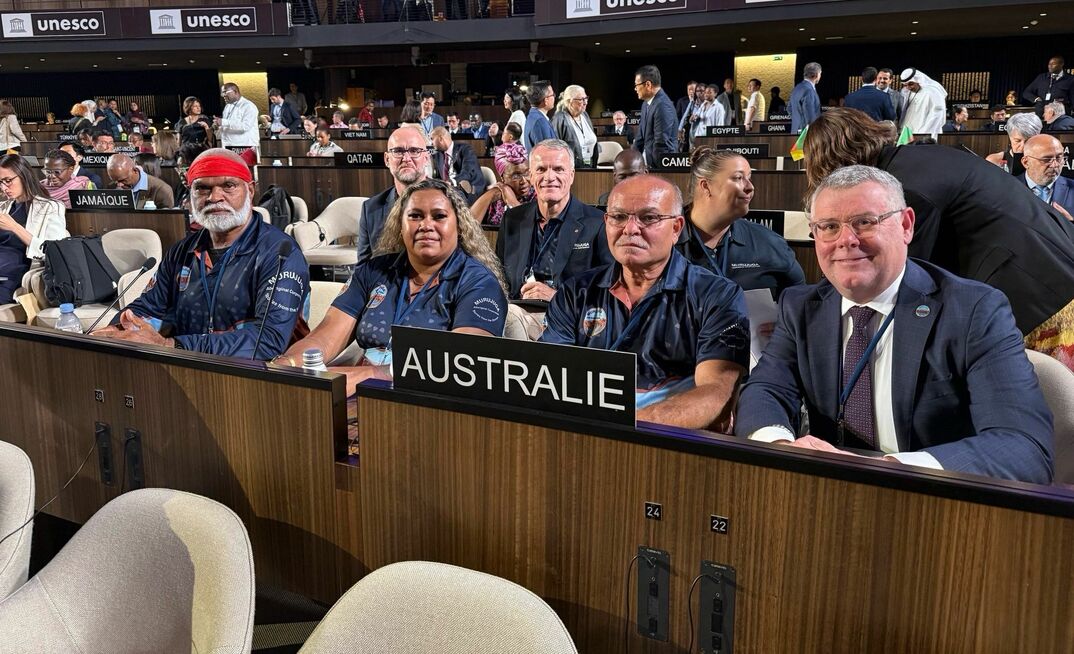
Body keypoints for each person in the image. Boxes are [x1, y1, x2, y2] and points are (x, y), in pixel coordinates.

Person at [735, 165, 1053, 484]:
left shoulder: (973, 311)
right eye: (829, 226)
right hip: (827, 495)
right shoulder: (801, 306)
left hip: (932, 504)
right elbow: (766, 390)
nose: (846, 240)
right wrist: (780, 449)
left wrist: (890, 469)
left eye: (864, 222)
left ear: (905, 225)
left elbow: (1023, 447)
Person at [803, 108, 1074, 369]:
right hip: (1053, 270)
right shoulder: (918, 159)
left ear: (832, 164)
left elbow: (901, 280)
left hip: (1045, 301)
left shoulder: (904, 188)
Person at [541, 174, 748, 430]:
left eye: (648, 218)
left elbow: (716, 393)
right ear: (605, 223)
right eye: (618, 217)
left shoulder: (717, 296)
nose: (630, 229)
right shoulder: (575, 292)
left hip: (669, 444)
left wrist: (625, 427)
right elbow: (550, 377)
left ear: (676, 228)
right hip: (582, 435)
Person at [277, 179, 507, 387]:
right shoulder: (372, 271)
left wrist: (372, 375)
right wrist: (289, 363)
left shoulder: (478, 283)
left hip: (428, 400)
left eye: (439, 216)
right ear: (400, 224)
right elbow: (325, 336)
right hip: (359, 388)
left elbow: (462, 363)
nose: (426, 225)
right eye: (415, 216)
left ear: (459, 224)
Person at [93, 149, 309, 359]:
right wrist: (121, 330)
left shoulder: (280, 254)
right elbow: (149, 308)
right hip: (188, 370)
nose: (214, 197)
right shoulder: (181, 251)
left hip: (263, 379)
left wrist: (172, 345)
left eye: (229, 186)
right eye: (202, 188)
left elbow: (267, 341)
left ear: (250, 191)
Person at [676, 148, 804, 299]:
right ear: (706, 186)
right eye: (738, 178)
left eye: (749, 178)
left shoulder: (769, 243)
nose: (750, 187)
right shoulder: (662, 240)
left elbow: (800, 300)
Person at [495, 139, 612, 302]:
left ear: (571, 176)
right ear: (531, 176)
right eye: (541, 169)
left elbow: (608, 292)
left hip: (569, 319)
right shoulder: (512, 219)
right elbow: (499, 281)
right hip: (515, 310)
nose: (549, 177)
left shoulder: (598, 223)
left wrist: (558, 298)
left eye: (558, 169)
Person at [357, 126, 431, 263]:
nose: (406, 158)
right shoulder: (371, 209)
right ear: (386, 159)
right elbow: (363, 268)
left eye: (415, 151)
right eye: (398, 151)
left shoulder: (449, 200)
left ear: (426, 158)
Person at [0, 154, 68, 303]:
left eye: (8, 181)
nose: (4, 188)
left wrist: (14, 227)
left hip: (14, 275)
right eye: (0, 182)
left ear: (24, 176)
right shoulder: (3, 208)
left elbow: (53, 251)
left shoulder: (50, 207)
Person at [470, 141, 533, 226]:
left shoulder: (539, 196)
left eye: (526, 173)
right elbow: (468, 228)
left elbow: (531, 229)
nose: (524, 181)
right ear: (502, 177)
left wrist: (512, 202)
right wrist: (491, 194)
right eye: (516, 176)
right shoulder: (496, 197)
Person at [632, 65, 677, 168]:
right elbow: (640, 138)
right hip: (649, 165)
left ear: (648, 84)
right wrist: (632, 160)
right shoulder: (646, 104)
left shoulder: (662, 105)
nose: (635, 89)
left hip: (661, 167)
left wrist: (654, 170)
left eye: (636, 85)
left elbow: (662, 144)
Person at [1021, 134, 1074, 220]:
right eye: (1046, 159)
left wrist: (1070, 223)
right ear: (1026, 162)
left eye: (1059, 158)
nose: (1055, 165)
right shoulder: (1008, 189)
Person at [429, 126, 485, 203]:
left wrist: (452, 182)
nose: (430, 143)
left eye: (432, 139)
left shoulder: (465, 149)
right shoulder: (437, 156)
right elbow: (438, 179)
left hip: (469, 189)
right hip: (448, 191)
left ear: (440, 139)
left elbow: (467, 172)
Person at [550, 85, 600, 169]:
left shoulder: (584, 115)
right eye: (581, 99)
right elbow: (555, 148)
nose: (585, 102)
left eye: (586, 98)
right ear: (569, 101)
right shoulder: (559, 119)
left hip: (589, 165)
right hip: (571, 169)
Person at [106, 153, 175, 209]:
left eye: (123, 180)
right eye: (115, 181)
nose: (119, 185)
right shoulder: (111, 187)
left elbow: (166, 220)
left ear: (135, 171)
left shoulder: (161, 189)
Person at [898, 68, 948, 137]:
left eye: (911, 84)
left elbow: (937, 116)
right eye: (905, 85)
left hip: (924, 134)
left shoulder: (932, 92)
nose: (908, 87)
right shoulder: (908, 93)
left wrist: (924, 134)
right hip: (908, 133)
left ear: (918, 80)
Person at [215, 83, 260, 155]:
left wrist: (224, 122)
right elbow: (228, 125)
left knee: (246, 166)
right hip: (229, 147)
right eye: (222, 93)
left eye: (225, 92)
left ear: (235, 92)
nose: (223, 96)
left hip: (245, 147)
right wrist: (218, 125)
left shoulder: (248, 106)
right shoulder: (227, 107)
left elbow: (245, 126)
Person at [524, 81, 556, 152]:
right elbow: (547, 153)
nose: (554, 97)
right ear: (546, 100)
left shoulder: (533, 116)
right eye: (553, 94)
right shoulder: (540, 121)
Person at [790, 62, 823, 133]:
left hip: (794, 131)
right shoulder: (809, 90)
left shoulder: (796, 88)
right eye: (820, 73)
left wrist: (798, 123)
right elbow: (810, 117)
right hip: (807, 134)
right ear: (817, 74)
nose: (820, 76)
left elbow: (789, 108)